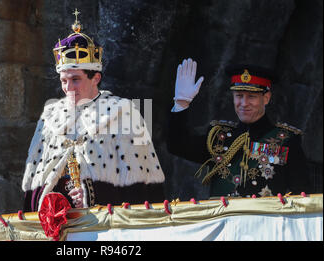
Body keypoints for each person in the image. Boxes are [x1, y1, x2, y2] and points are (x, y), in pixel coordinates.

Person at [21, 10, 165, 211]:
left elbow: (141, 189)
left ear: (95, 78)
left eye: (76, 80)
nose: (68, 88)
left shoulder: (124, 113)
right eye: (64, 81)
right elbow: (34, 187)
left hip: (105, 227)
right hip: (56, 226)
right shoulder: (49, 118)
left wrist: (90, 195)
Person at [167, 58, 309, 198]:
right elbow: (177, 145)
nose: (244, 103)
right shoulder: (219, 138)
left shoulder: (286, 140)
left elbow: (302, 194)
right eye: (239, 96)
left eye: (251, 96)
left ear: (266, 98)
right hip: (223, 220)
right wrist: (181, 103)